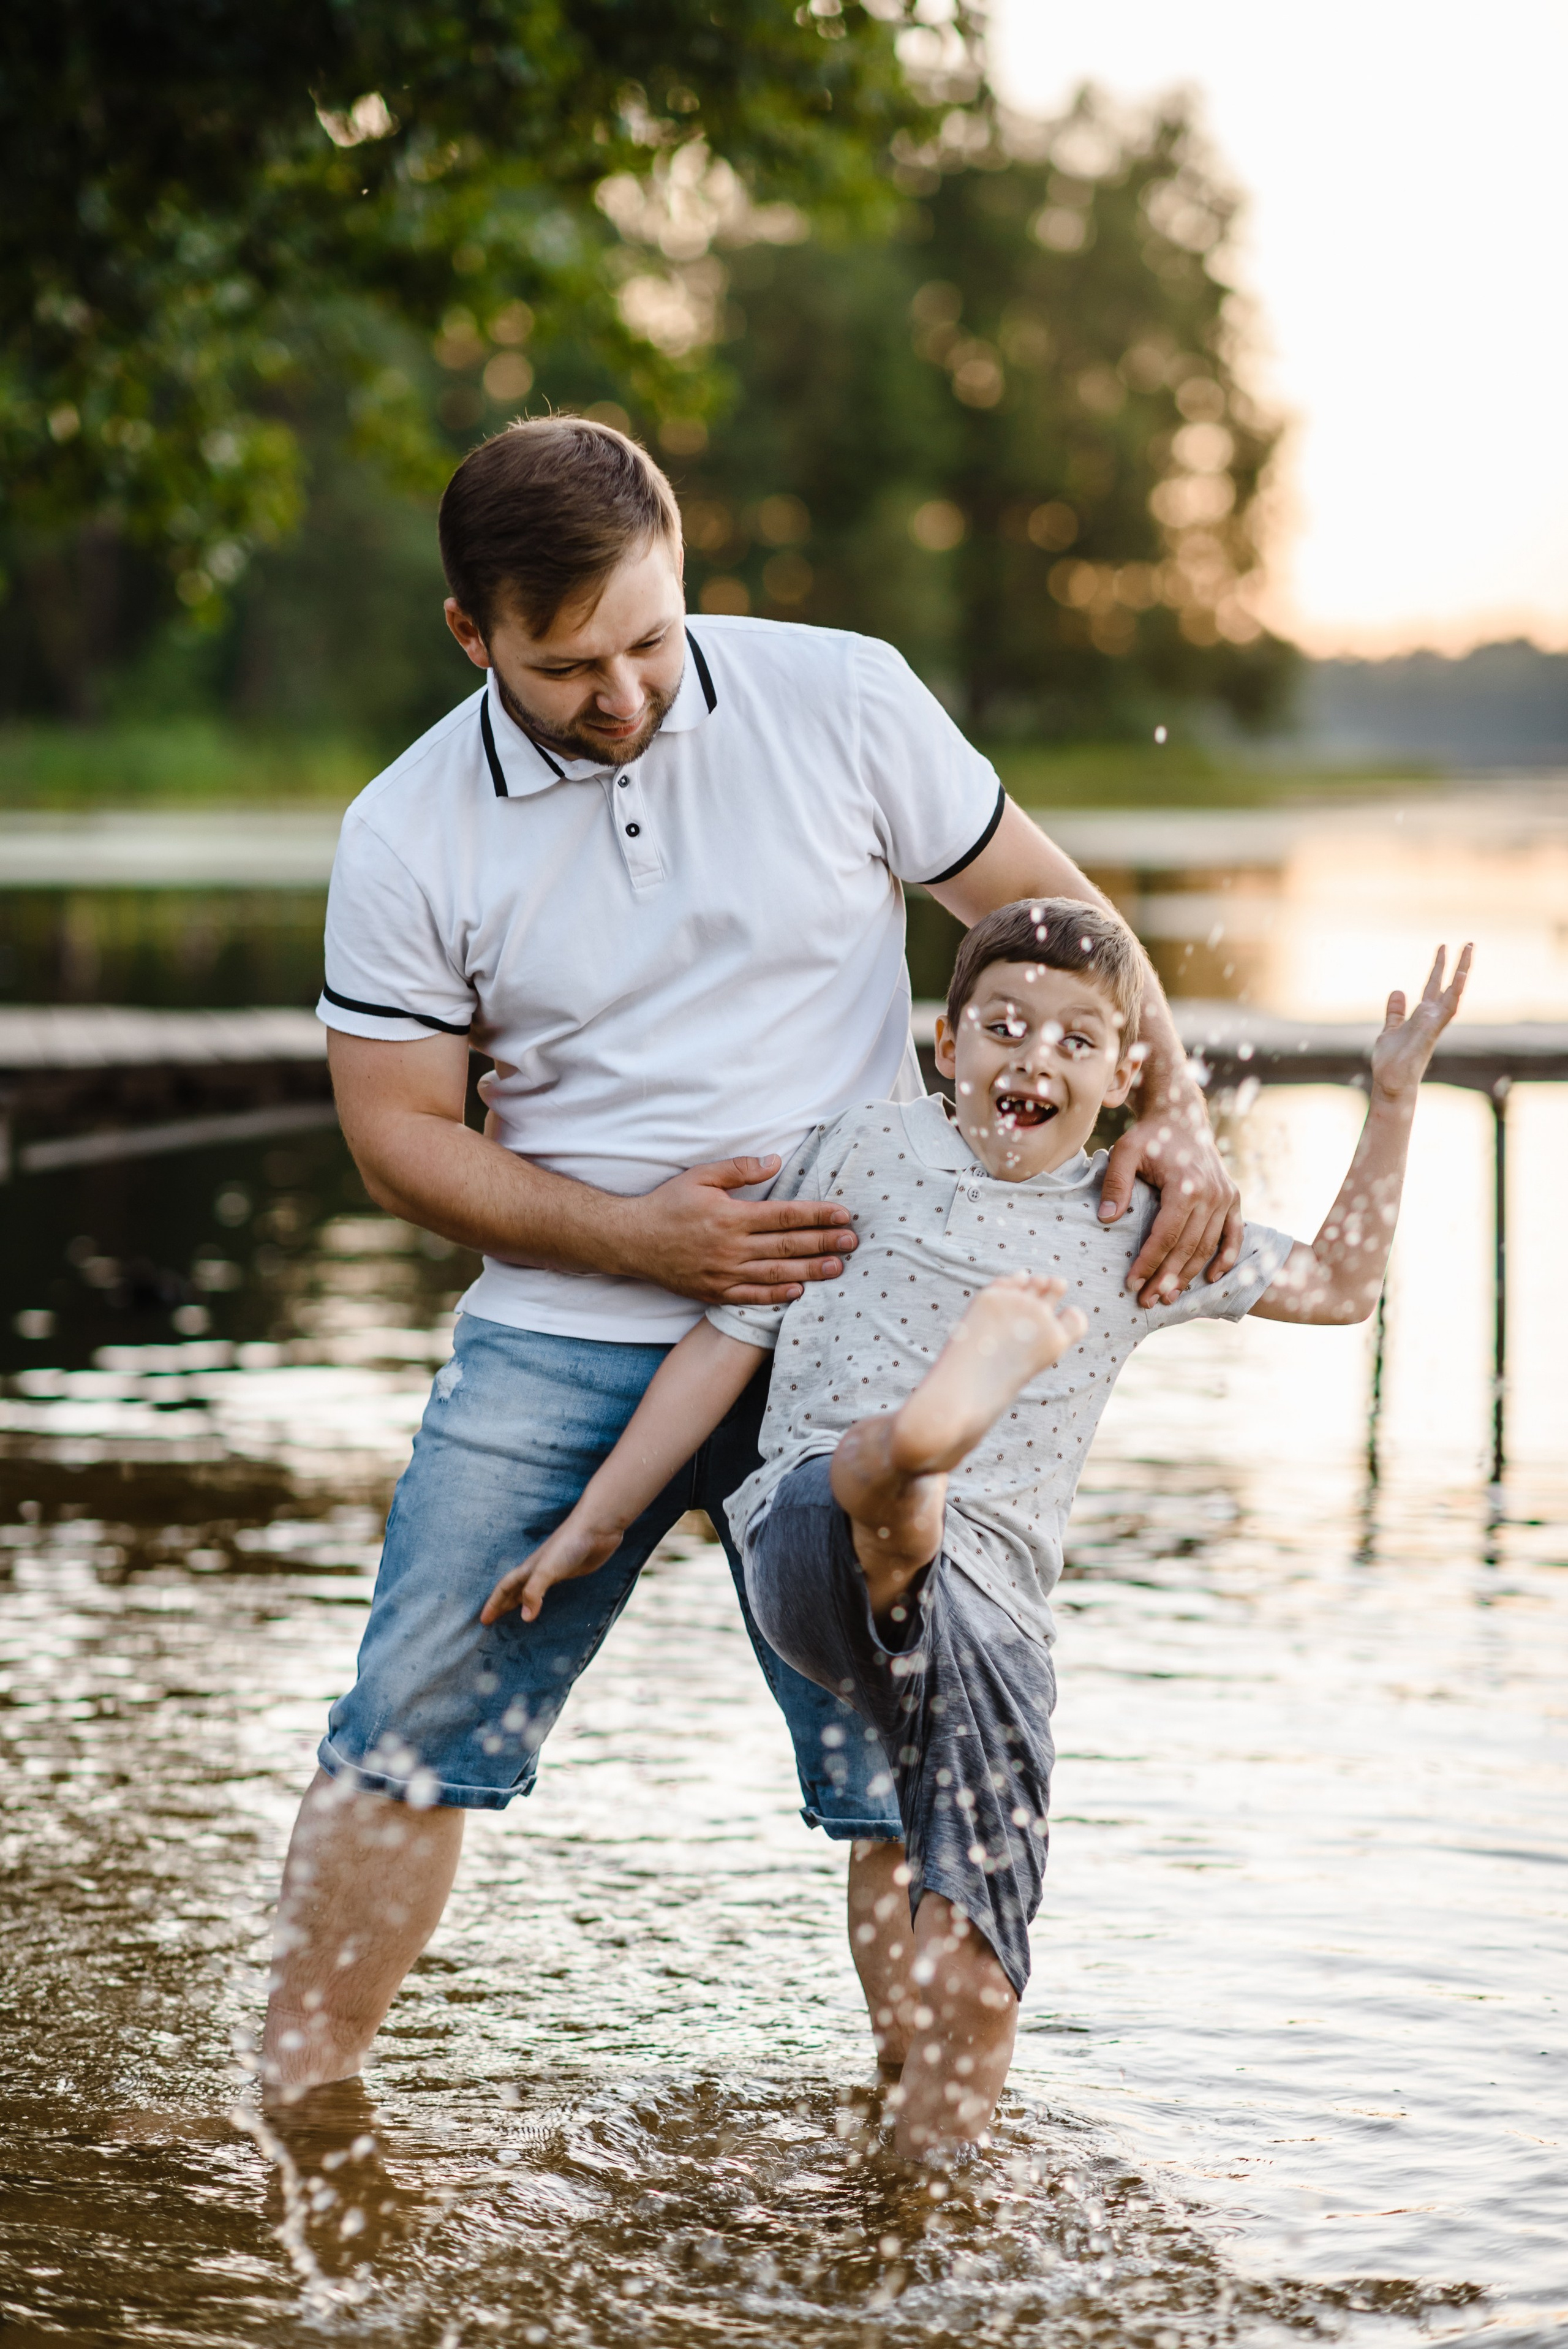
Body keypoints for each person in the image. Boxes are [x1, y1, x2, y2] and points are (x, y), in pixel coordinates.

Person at [262, 418, 1242, 2099]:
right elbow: (397, 1136)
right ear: (470, 633)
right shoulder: (406, 830)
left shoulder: (842, 698)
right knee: (404, 1732)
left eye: (651, 639)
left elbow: (1062, 921)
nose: (625, 693)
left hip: (867, 1324)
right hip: (567, 1327)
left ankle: (936, 2174)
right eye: (568, 666)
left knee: (910, 1768)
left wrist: (1180, 1109)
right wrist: (641, 1233)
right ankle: (294, 2110)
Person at [483, 899, 1471, 2159]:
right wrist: (598, 1519)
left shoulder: (1135, 1222)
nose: (1033, 1058)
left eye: (1074, 1042)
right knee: (873, 1488)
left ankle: (920, 2190)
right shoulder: (852, 1152)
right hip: (808, 1536)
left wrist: (1392, 1099)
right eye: (1004, 1028)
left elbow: (1337, 1285)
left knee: (967, 1950)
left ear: (1125, 1076)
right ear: (946, 1045)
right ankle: (916, 1445)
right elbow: (726, 1339)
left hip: (985, 1627)